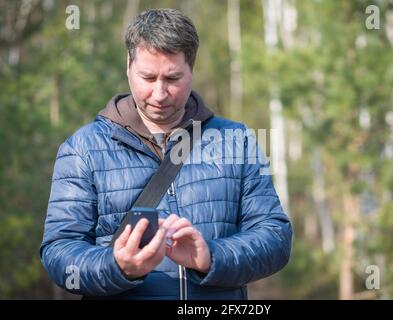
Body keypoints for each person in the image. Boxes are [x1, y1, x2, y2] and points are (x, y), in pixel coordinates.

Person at [40, 8, 292, 300]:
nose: (159, 94)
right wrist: (116, 267)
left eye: (173, 79)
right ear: (128, 65)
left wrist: (210, 256)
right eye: (147, 77)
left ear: (192, 71)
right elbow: (59, 251)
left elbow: (275, 237)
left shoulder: (237, 141)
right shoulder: (82, 149)